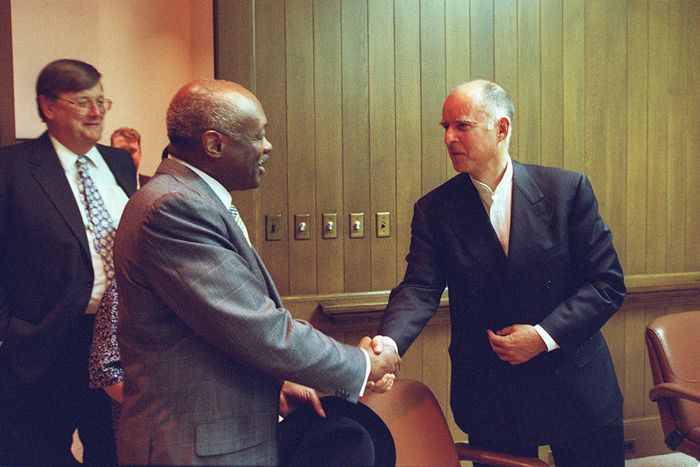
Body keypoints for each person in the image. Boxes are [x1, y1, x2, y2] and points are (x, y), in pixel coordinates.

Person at [113, 78, 400, 465]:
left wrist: (275, 383)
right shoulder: (173, 208)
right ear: (214, 144)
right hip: (192, 447)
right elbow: (256, 328)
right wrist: (361, 365)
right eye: (258, 136)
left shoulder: (188, 199)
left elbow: (209, 334)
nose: (268, 147)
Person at [376, 80, 626, 466]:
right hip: (493, 391)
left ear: (501, 128)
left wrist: (542, 337)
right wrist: (388, 344)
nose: (448, 138)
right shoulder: (436, 209)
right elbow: (419, 288)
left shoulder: (567, 190)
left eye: (461, 125)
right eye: (444, 127)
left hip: (576, 385)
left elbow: (606, 283)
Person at [0, 59, 136, 465]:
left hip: (116, 338)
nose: (96, 113)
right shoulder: (12, 168)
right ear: (48, 106)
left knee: (112, 450)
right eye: (83, 102)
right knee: (39, 453)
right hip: (43, 342)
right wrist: (9, 331)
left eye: (101, 101)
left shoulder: (119, 163)